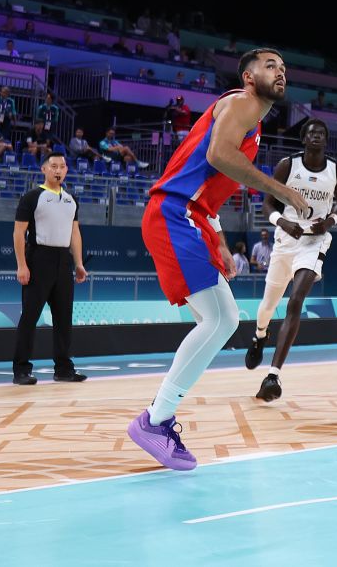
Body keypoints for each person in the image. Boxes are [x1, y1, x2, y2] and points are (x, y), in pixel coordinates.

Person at [127, 49, 313, 472]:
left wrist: (221, 240)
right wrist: (285, 192)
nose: (280, 72)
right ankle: (154, 420)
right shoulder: (240, 103)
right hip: (174, 213)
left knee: (224, 318)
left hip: (190, 216)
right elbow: (218, 157)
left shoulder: (252, 119)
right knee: (219, 320)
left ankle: (158, 417)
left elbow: (209, 183)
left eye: (284, 68)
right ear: (248, 76)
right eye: (271, 66)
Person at [245, 119, 337, 402]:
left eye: (322, 133)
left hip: (315, 240)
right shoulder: (287, 166)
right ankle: (259, 335)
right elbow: (268, 203)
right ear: (304, 138)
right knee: (268, 305)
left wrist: (330, 221)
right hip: (286, 237)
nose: (316, 136)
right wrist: (281, 222)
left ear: (326, 140)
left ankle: (273, 376)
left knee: (295, 301)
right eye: (312, 133)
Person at [12, 153, 89, 385]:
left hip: (63, 261)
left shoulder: (71, 199)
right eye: (54, 166)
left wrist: (78, 263)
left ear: (66, 171)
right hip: (38, 258)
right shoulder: (32, 197)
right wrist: (22, 265)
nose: (58, 170)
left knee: (64, 318)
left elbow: (75, 233)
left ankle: (64, 369)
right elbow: (18, 233)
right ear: (44, 169)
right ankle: (21, 370)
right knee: (30, 317)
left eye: (63, 166)